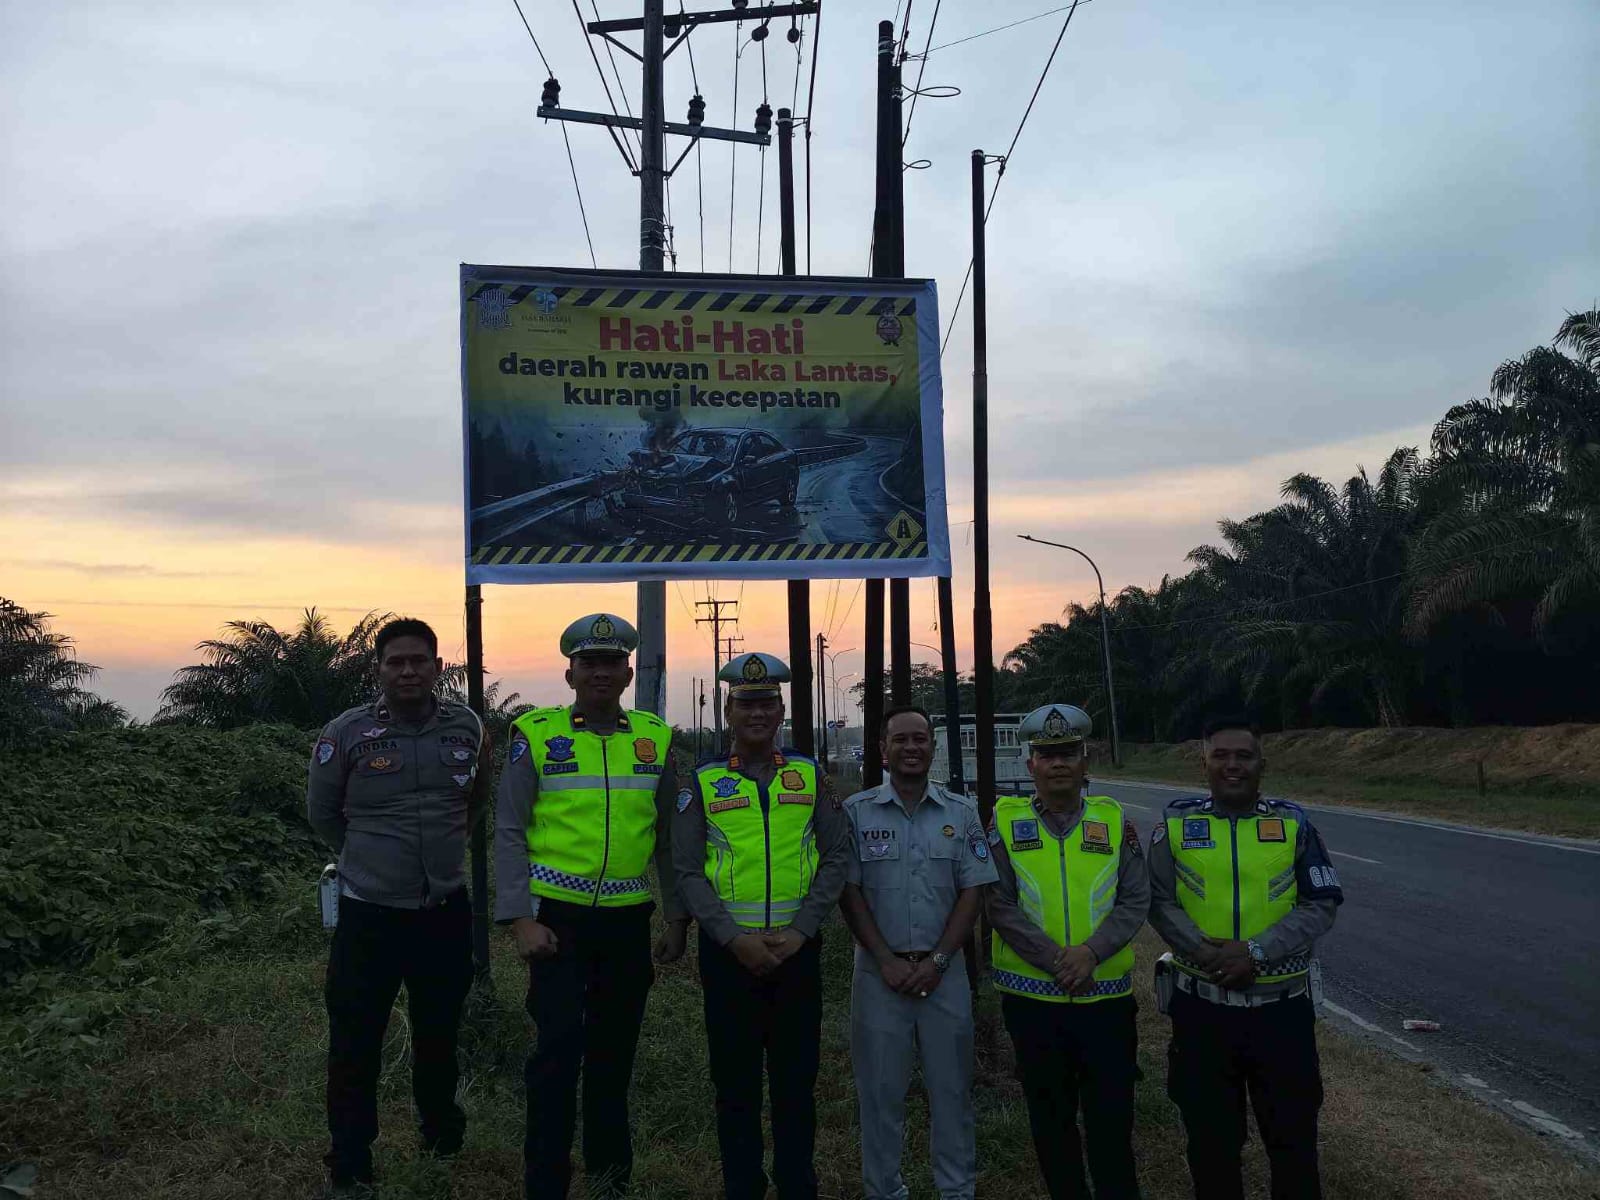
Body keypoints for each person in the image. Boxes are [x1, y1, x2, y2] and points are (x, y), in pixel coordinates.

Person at [492, 612, 690, 1200]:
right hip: (557, 921)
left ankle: (610, 1181)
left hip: (627, 922)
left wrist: (676, 917)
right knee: (556, 1053)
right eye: (589, 662)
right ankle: (545, 1182)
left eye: (611, 662)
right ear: (570, 673)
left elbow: (668, 839)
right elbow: (509, 829)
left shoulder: (655, 738)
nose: (601, 672)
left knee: (614, 1056)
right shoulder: (535, 734)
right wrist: (520, 918)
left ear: (628, 673)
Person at [306, 617, 490, 1197]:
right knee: (356, 1041)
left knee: (440, 1032)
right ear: (379, 669)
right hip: (370, 915)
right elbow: (323, 813)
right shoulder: (347, 732)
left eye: (419, 660)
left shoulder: (468, 727)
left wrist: (443, 854)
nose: (408, 670)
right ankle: (351, 1162)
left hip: (443, 911)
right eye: (396, 662)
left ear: (438, 667)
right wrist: (368, 861)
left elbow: (475, 801)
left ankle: (441, 1138)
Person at [673, 652, 852, 1200]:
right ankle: (742, 1187)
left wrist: (801, 930)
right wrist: (734, 939)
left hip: (797, 954)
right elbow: (687, 870)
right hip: (729, 959)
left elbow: (836, 857)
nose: (757, 713)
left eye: (767, 703)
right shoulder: (702, 782)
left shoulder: (809, 775)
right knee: (735, 1088)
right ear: (728, 712)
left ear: (781, 711)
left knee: (796, 1086)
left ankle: (798, 1186)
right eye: (746, 703)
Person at [1149, 716, 1344, 1200]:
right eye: (1221, 755)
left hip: (1281, 1014)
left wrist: (1256, 952)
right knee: (1211, 1148)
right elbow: (1157, 900)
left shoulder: (1295, 824)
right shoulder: (1175, 824)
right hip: (1202, 1013)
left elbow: (1320, 904)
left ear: (1262, 763)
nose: (1232, 765)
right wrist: (1204, 953)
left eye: (1244, 756)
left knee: (1294, 1146)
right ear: (1204, 763)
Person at [986, 703, 1149, 1200]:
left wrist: (1091, 953)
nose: (1058, 763)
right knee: (1051, 1122)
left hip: (1105, 1002)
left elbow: (1134, 899)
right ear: (1030, 764)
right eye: (1047, 754)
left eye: (1068, 753)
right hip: (1034, 1003)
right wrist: (1057, 959)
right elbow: (997, 901)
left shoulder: (1113, 819)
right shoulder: (1006, 820)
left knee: (1112, 1124)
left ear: (1085, 761)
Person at [839, 704, 997, 1200]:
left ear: (932, 746)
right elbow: (849, 892)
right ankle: (885, 1190)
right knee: (879, 1096)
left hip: (944, 975)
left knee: (952, 1093)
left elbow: (973, 891)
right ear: (882, 751)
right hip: (878, 976)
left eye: (920, 739)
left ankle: (956, 1190)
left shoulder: (961, 813)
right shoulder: (857, 812)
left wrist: (940, 961)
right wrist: (885, 960)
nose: (911, 747)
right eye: (900, 739)